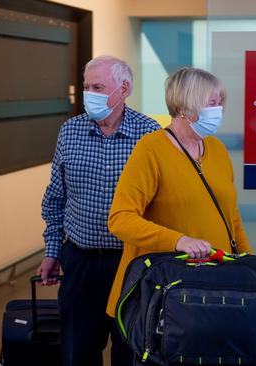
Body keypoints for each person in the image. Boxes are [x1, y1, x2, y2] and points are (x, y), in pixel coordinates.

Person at [37, 55, 160, 366]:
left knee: (130, 351)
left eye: (98, 86)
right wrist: (53, 251)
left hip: (131, 264)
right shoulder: (70, 131)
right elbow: (55, 197)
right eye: (86, 86)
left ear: (124, 88)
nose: (89, 94)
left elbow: (161, 204)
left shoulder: (150, 135)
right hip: (81, 261)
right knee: (77, 352)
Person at [106, 67, 253, 321]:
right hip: (164, 292)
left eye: (220, 103)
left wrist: (248, 264)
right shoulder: (150, 150)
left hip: (212, 286)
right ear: (186, 107)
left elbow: (232, 217)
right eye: (212, 103)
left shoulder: (216, 149)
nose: (219, 110)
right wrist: (178, 241)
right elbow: (120, 218)